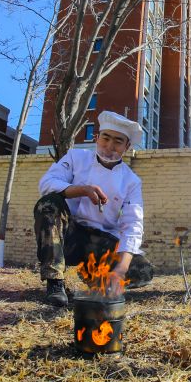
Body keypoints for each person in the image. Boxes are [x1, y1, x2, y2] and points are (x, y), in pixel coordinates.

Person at [34, 111, 155, 308]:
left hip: (100, 242)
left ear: (127, 147)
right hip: (68, 236)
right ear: (96, 138)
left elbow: (133, 225)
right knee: (49, 203)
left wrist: (120, 270)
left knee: (143, 270)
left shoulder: (131, 181)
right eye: (105, 138)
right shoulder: (76, 157)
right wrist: (82, 190)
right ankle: (55, 282)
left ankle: (95, 278)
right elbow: (46, 183)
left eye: (118, 141)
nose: (109, 146)